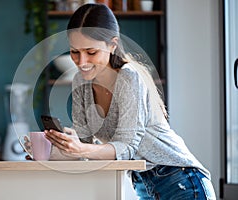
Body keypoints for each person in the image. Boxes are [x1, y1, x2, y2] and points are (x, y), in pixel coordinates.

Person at [26, 3, 216, 200]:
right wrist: (48, 152)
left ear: (112, 45)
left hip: (180, 181)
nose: (81, 61)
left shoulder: (129, 77)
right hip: (143, 185)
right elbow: (85, 145)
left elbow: (126, 148)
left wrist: (81, 148)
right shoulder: (79, 82)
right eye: (75, 51)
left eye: (91, 52)